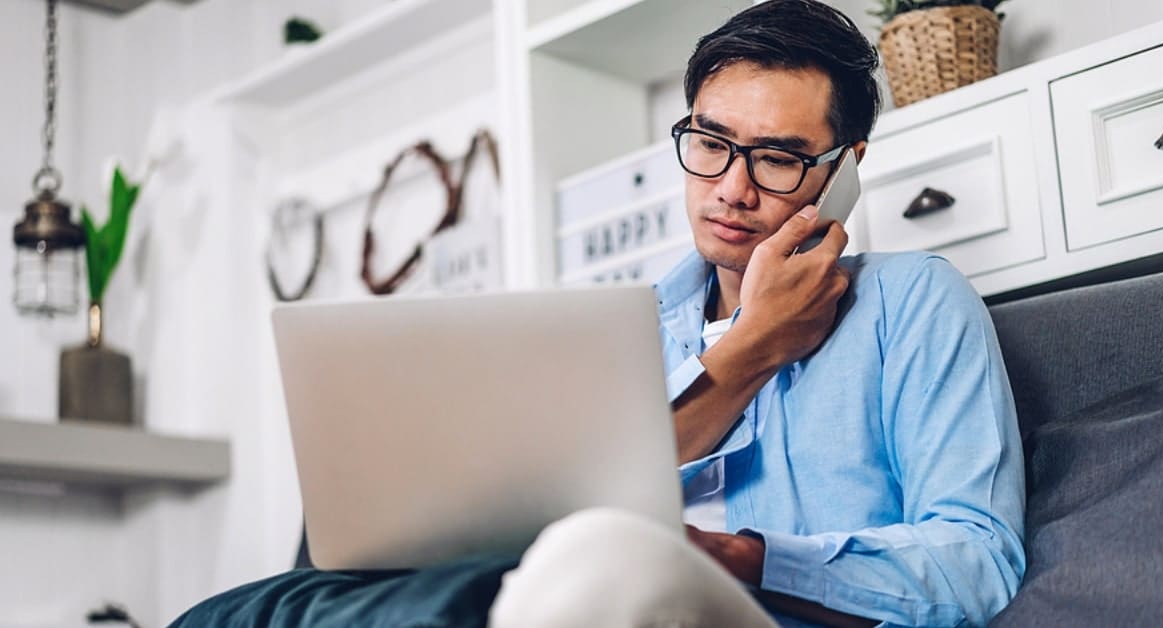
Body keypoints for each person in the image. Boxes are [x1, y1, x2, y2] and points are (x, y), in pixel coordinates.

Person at [173, 1, 1024, 626]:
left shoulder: (911, 301)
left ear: (847, 167)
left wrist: (742, 558)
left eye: (778, 159)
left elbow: (980, 560)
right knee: (251, 607)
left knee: (600, 559)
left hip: (750, 610)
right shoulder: (622, 329)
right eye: (713, 143)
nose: (732, 186)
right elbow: (526, 517)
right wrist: (750, 352)